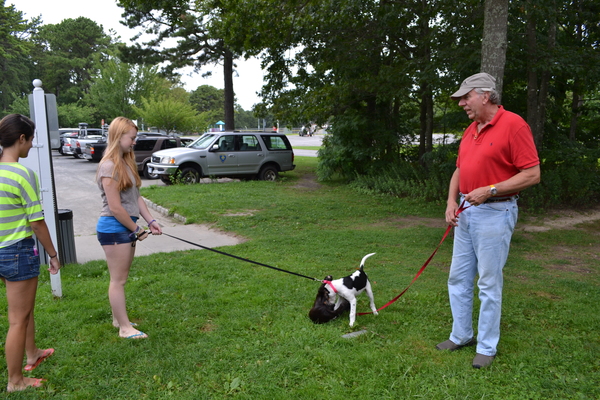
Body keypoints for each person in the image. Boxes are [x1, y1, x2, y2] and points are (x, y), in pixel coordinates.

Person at [436, 73, 541, 368]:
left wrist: (491, 189)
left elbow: (532, 174)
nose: (461, 104)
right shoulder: (472, 129)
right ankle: (461, 335)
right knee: (458, 277)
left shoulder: (514, 125)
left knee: (488, 282)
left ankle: (486, 346)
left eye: (466, 97)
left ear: (484, 95)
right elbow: (460, 169)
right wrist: (450, 201)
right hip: (466, 211)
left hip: (496, 211)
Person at [0, 114, 61, 392]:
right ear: (21, 139)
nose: (31, 145)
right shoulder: (22, 174)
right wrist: (52, 253)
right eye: (31, 139)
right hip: (17, 251)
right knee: (17, 319)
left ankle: (33, 353)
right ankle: (15, 381)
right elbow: (36, 221)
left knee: (24, 310)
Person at [96, 117, 162, 340]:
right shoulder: (108, 166)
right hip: (114, 228)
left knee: (120, 277)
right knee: (118, 280)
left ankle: (118, 319)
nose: (134, 142)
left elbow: (136, 198)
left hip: (124, 228)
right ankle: (125, 329)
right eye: (132, 138)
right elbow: (115, 207)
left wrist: (151, 221)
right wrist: (136, 228)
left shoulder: (126, 162)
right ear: (118, 137)